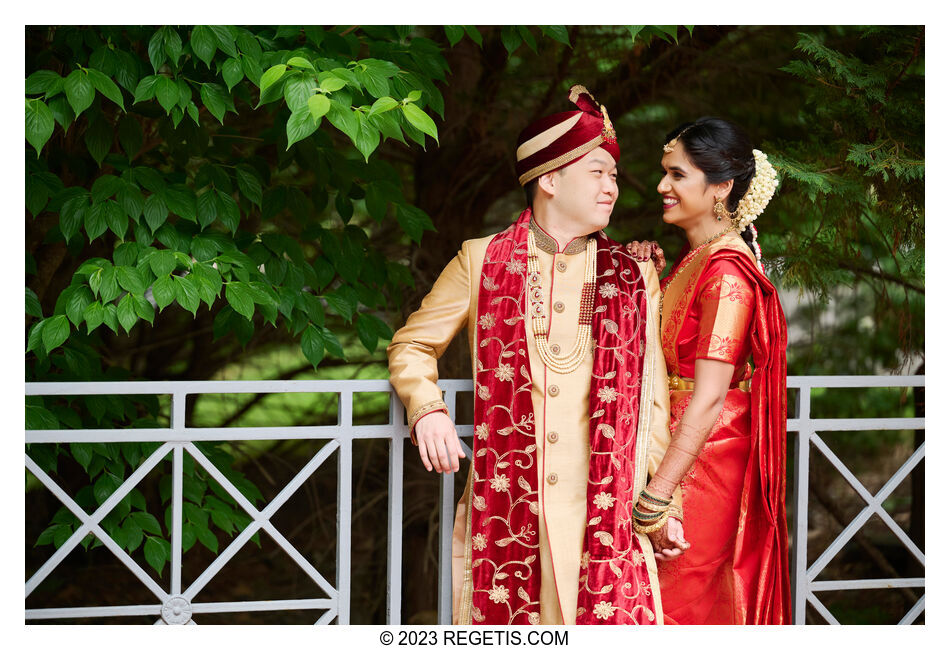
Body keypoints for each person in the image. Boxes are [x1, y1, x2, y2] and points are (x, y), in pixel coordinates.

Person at [387, 86, 687, 625]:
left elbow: (652, 405)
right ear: (549, 178)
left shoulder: (634, 274)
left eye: (614, 176)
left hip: (605, 516)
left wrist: (664, 508)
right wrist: (426, 408)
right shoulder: (480, 261)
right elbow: (412, 344)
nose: (611, 187)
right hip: (507, 509)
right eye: (596, 172)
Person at [627, 116, 790, 624]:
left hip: (705, 459)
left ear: (720, 187)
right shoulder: (698, 258)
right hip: (675, 443)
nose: (661, 186)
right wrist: (646, 277)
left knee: (677, 605)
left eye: (677, 175)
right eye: (665, 172)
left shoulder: (728, 274)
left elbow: (711, 395)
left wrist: (657, 496)